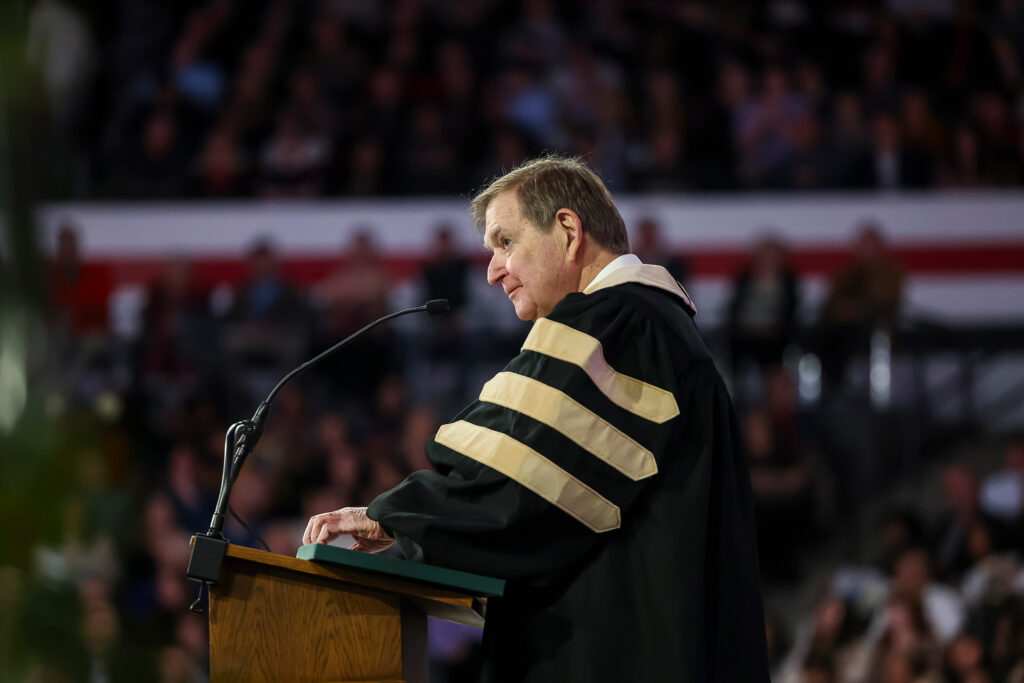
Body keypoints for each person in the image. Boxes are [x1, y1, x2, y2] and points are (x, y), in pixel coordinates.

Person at [303, 156, 770, 682]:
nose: (492, 270)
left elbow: (520, 485)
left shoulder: (621, 323)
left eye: (506, 242)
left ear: (568, 231)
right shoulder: (648, 325)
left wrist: (394, 515)